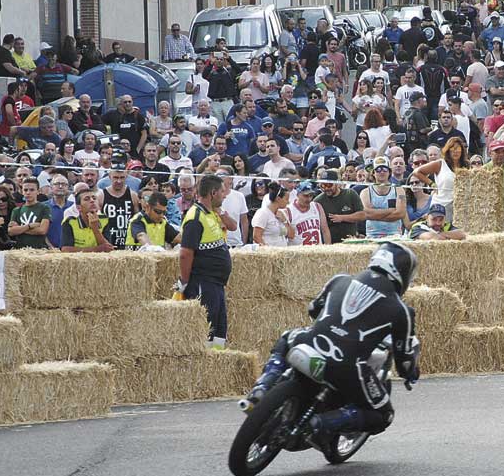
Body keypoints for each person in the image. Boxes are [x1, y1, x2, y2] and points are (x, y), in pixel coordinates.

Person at [237, 241, 420, 448]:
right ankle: (320, 424)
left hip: (310, 342)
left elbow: (313, 309)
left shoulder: (340, 279)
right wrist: (410, 374)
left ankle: (262, 386)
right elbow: (404, 358)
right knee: (383, 415)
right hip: (347, 366)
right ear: (402, 273)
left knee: (287, 336)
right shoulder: (401, 310)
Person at [179, 174, 234, 348]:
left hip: (216, 283)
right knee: (206, 330)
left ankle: (217, 366)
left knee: (219, 330)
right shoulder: (195, 218)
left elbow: (233, 226)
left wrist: (221, 212)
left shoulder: (211, 213)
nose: (224, 195)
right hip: (203, 282)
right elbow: (185, 253)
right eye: (222, 192)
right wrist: (185, 281)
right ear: (212, 193)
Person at [60, 186, 113, 252]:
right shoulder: (70, 222)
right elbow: (65, 249)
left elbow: (108, 248)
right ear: (79, 207)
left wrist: (95, 229)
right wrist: (96, 249)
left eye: (94, 198)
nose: (92, 201)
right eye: (87, 199)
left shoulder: (104, 220)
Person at [361, 166, 408, 239]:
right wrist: (390, 211)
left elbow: (401, 213)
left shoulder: (400, 190)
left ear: (389, 172)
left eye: (385, 169)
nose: (382, 172)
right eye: (378, 170)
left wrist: (375, 215)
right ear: (373, 173)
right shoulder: (365, 192)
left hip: (395, 235)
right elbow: (366, 214)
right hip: (372, 235)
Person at [8, 177, 52, 249]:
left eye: (32, 190)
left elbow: (42, 230)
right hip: (20, 249)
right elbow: (11, 231)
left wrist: (20, 229)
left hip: (39, 250)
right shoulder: (16, 210)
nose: (28, 192)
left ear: (38, 191)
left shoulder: (44, 208)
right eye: (25, 190)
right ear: (22, 192)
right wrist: (29, 226)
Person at [250, 181, 295, 247]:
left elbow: (291, 235)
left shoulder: (282, 213)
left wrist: (285, 221)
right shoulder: (263, 213)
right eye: (286, 199)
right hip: (270, 254)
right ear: (278, 199)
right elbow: (256, 237)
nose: (288, 202)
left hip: (282, 253)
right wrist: (268, 251)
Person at [286, 181, 330, 246]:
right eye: (305, 196)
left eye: (311, 195)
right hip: (298, 252)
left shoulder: (317, 206)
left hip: (317, 251)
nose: (309, 199)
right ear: (298, 194)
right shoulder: (289, 210)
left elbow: (325, 230)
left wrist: (328, 248)